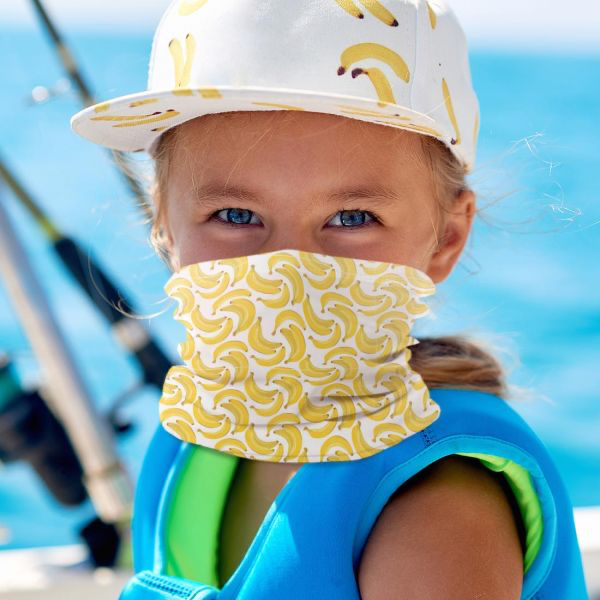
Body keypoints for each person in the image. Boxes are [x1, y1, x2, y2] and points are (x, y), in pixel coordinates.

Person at [70, 1, 588, 598]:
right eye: (235, 215)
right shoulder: (190, 440)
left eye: (352, 217)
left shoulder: (441, 506)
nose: (289, 265)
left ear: (446, 238)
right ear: (163, 224)